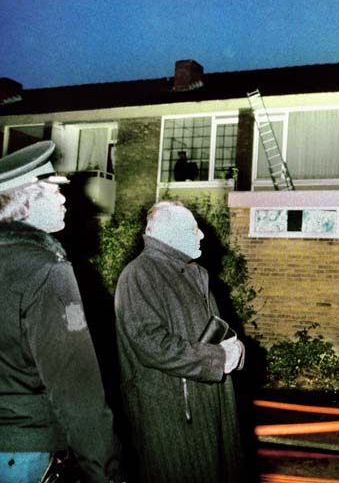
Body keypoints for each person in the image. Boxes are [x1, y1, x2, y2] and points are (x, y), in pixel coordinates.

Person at [0, 141, 122, 483]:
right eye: (52, 190)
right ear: (24, 199)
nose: (64, 199)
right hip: (30, 455)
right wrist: (105, 470)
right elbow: (76, 388)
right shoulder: (47, 269)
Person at [114, 201, 244, 483]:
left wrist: (236, 348)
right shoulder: (139, 275)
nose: (202, 235)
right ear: (167, 233)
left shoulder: (193, 273)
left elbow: (216, 330)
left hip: (205, 407)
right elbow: (151, 345)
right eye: (193, 229)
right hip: (172, 417)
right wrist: (217, 359)